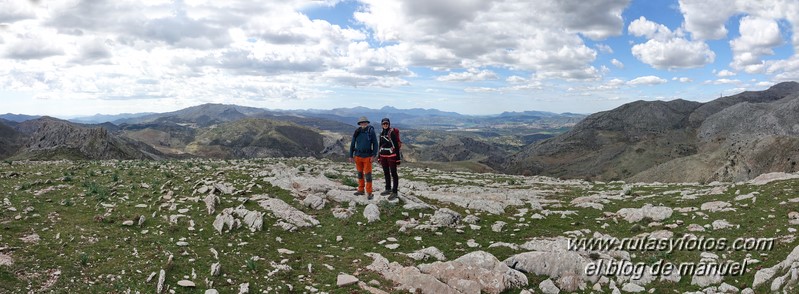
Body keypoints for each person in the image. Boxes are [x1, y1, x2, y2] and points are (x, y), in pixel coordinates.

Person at [349, 116, 379, 200]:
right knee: (359, 174)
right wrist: (351, 155)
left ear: (367, 122)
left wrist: (373, 155)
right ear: (359, 124)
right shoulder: (357, 131)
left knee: (368, 175)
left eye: (365, 122)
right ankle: (361, 189)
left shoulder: (371, 131)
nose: (363, 124)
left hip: (367, 157)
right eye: (362, 122)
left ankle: (369, 192)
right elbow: (352, 144)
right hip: (358, 156)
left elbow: (375, 144)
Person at [377, 117, 402, 200]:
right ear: (381, 125)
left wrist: (398, 159)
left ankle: (395, 192)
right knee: (386, 173)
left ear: (389, 124)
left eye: (386, 123)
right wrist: (379, 157)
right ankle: (388, 189)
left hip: (392, 156)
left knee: (394, 174)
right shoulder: (381, 133)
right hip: (383, 156)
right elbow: (380, 145)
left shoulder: (392, 133)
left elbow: (396, 146)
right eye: (384, 124)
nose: (385, 125)